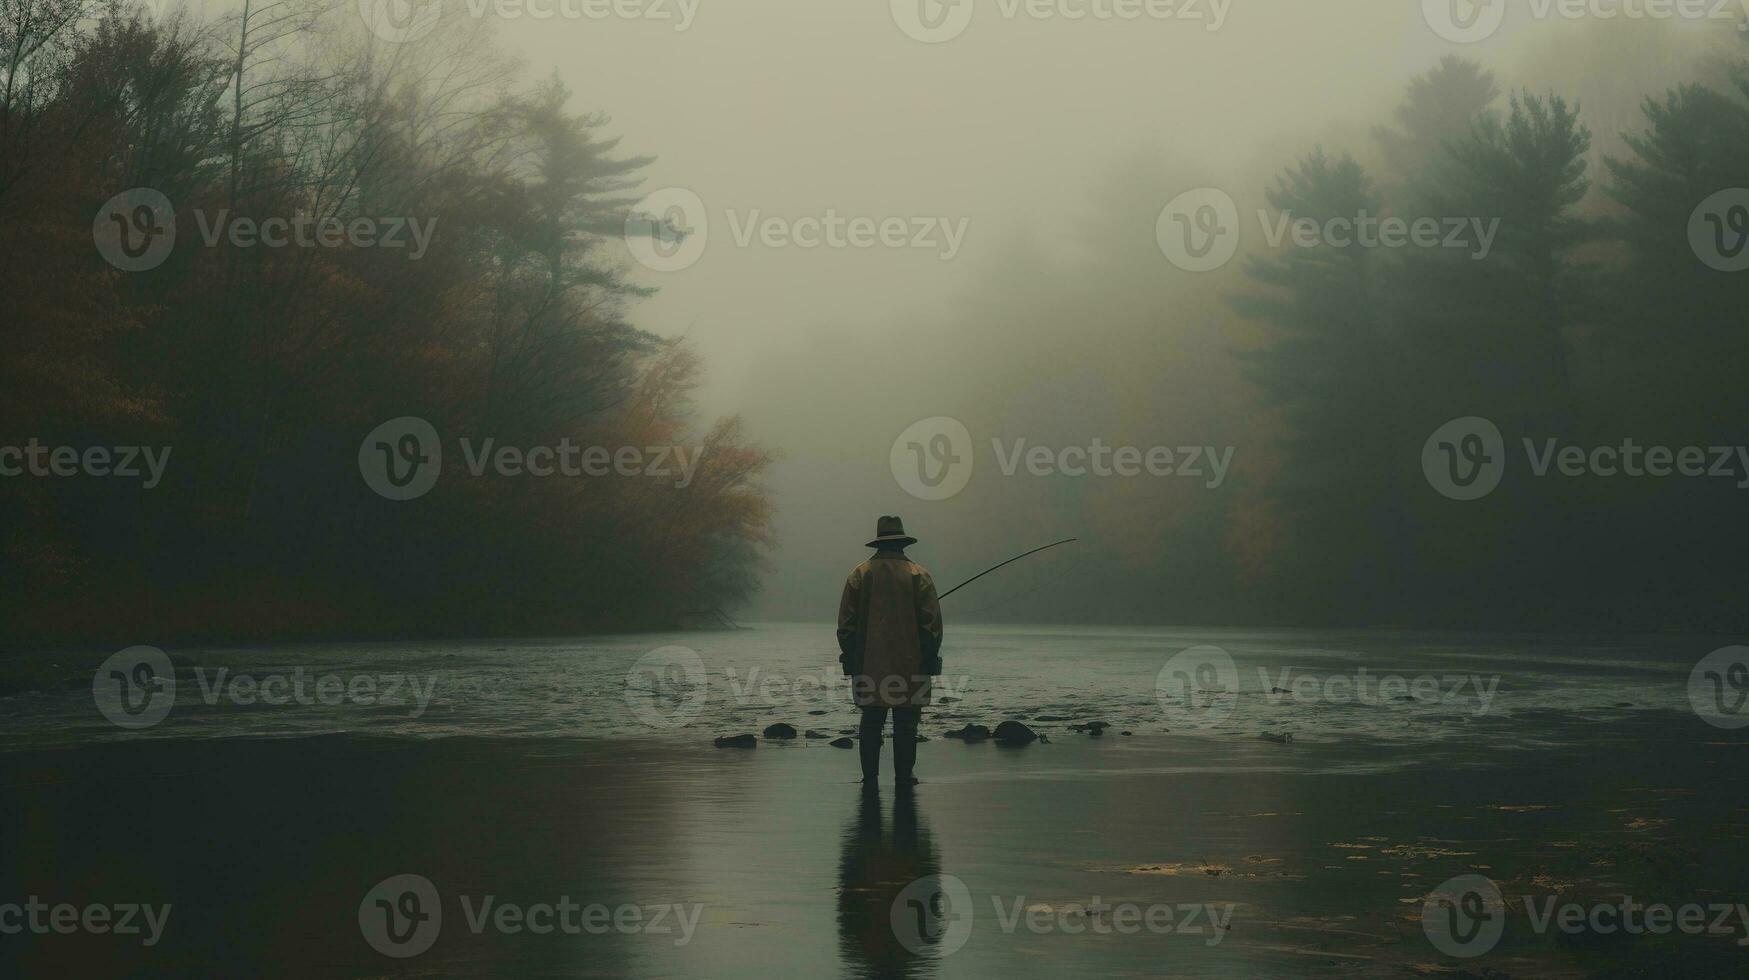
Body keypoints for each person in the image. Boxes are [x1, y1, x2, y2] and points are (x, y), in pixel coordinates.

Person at [837, 516, 943, 788]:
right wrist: (930, 658)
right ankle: (904, 778)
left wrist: (850, 657)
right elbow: (931, 627)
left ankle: (869, 779)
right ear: (902, 542)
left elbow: (846, 626)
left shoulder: (859, 574)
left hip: (868, 663)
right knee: (907, 724)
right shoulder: (919, 575)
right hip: (913, 664)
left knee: (871, 722)